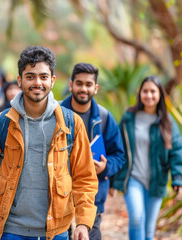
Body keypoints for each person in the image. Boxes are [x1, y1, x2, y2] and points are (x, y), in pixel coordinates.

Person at [0, 46, 98, 240]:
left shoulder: (71, 124)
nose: (37, 82)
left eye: (43, 77)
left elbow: (85, 178)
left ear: (52, 80)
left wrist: (83, 223)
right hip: (12, 230)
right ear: (20, 80)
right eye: (30, 76)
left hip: (56, 230)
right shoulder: (0, 125)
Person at [112, 76, 182, 240]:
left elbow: (178, 151)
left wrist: (180, 180)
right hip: (133, 177)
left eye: (153, 91)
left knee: (148, 231)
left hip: (156, 180)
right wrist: (112, 180)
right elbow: (116, 148)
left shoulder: (167, 122)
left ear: (160, 94)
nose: (149, 95)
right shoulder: (129, 118)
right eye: (145, 91)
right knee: (136, 218)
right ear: (140, 93)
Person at [60, 63, 125, 239]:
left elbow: (119, 156)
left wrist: (105, 167)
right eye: (79, 83)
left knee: (91, 234)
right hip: (58, 193)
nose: (83, 88)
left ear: (95, 88)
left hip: (93, 194)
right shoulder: (55, 113)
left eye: (88, 84)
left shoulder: (104, 117)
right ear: (71, 84)